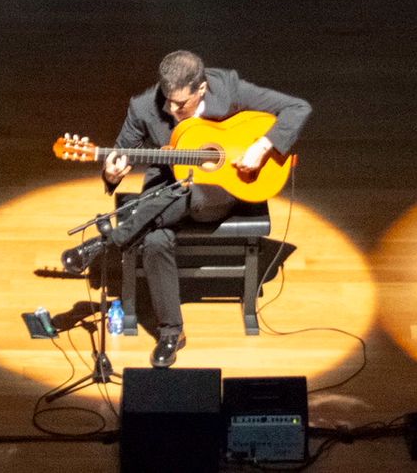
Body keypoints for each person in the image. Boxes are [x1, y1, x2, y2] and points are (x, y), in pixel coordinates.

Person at [63, 50, 310, 367]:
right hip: (163, 192)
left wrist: (261, 147)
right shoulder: (142, 106)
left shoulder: (228, 87)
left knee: (195, 193)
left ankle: (108, 240)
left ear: (202, 89)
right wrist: (112, 173)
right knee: (154, 241)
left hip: (221, 191)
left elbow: (297, 108)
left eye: (180, 103)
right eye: (167, 100)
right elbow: (121, 152)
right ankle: (171, 333)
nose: (171, 108)